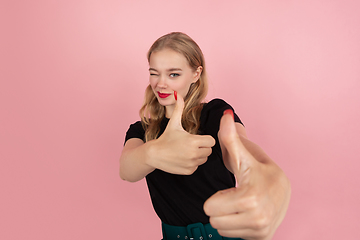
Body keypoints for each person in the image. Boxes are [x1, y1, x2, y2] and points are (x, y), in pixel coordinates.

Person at [120, 32, 291, 240]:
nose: (161, 84)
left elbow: (237, 146)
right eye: (154, 73)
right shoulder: (141, 131)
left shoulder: (214, 113)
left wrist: (273, 179)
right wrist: (152, 152)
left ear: (195, 74)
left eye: (173, 74)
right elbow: (127, 169)